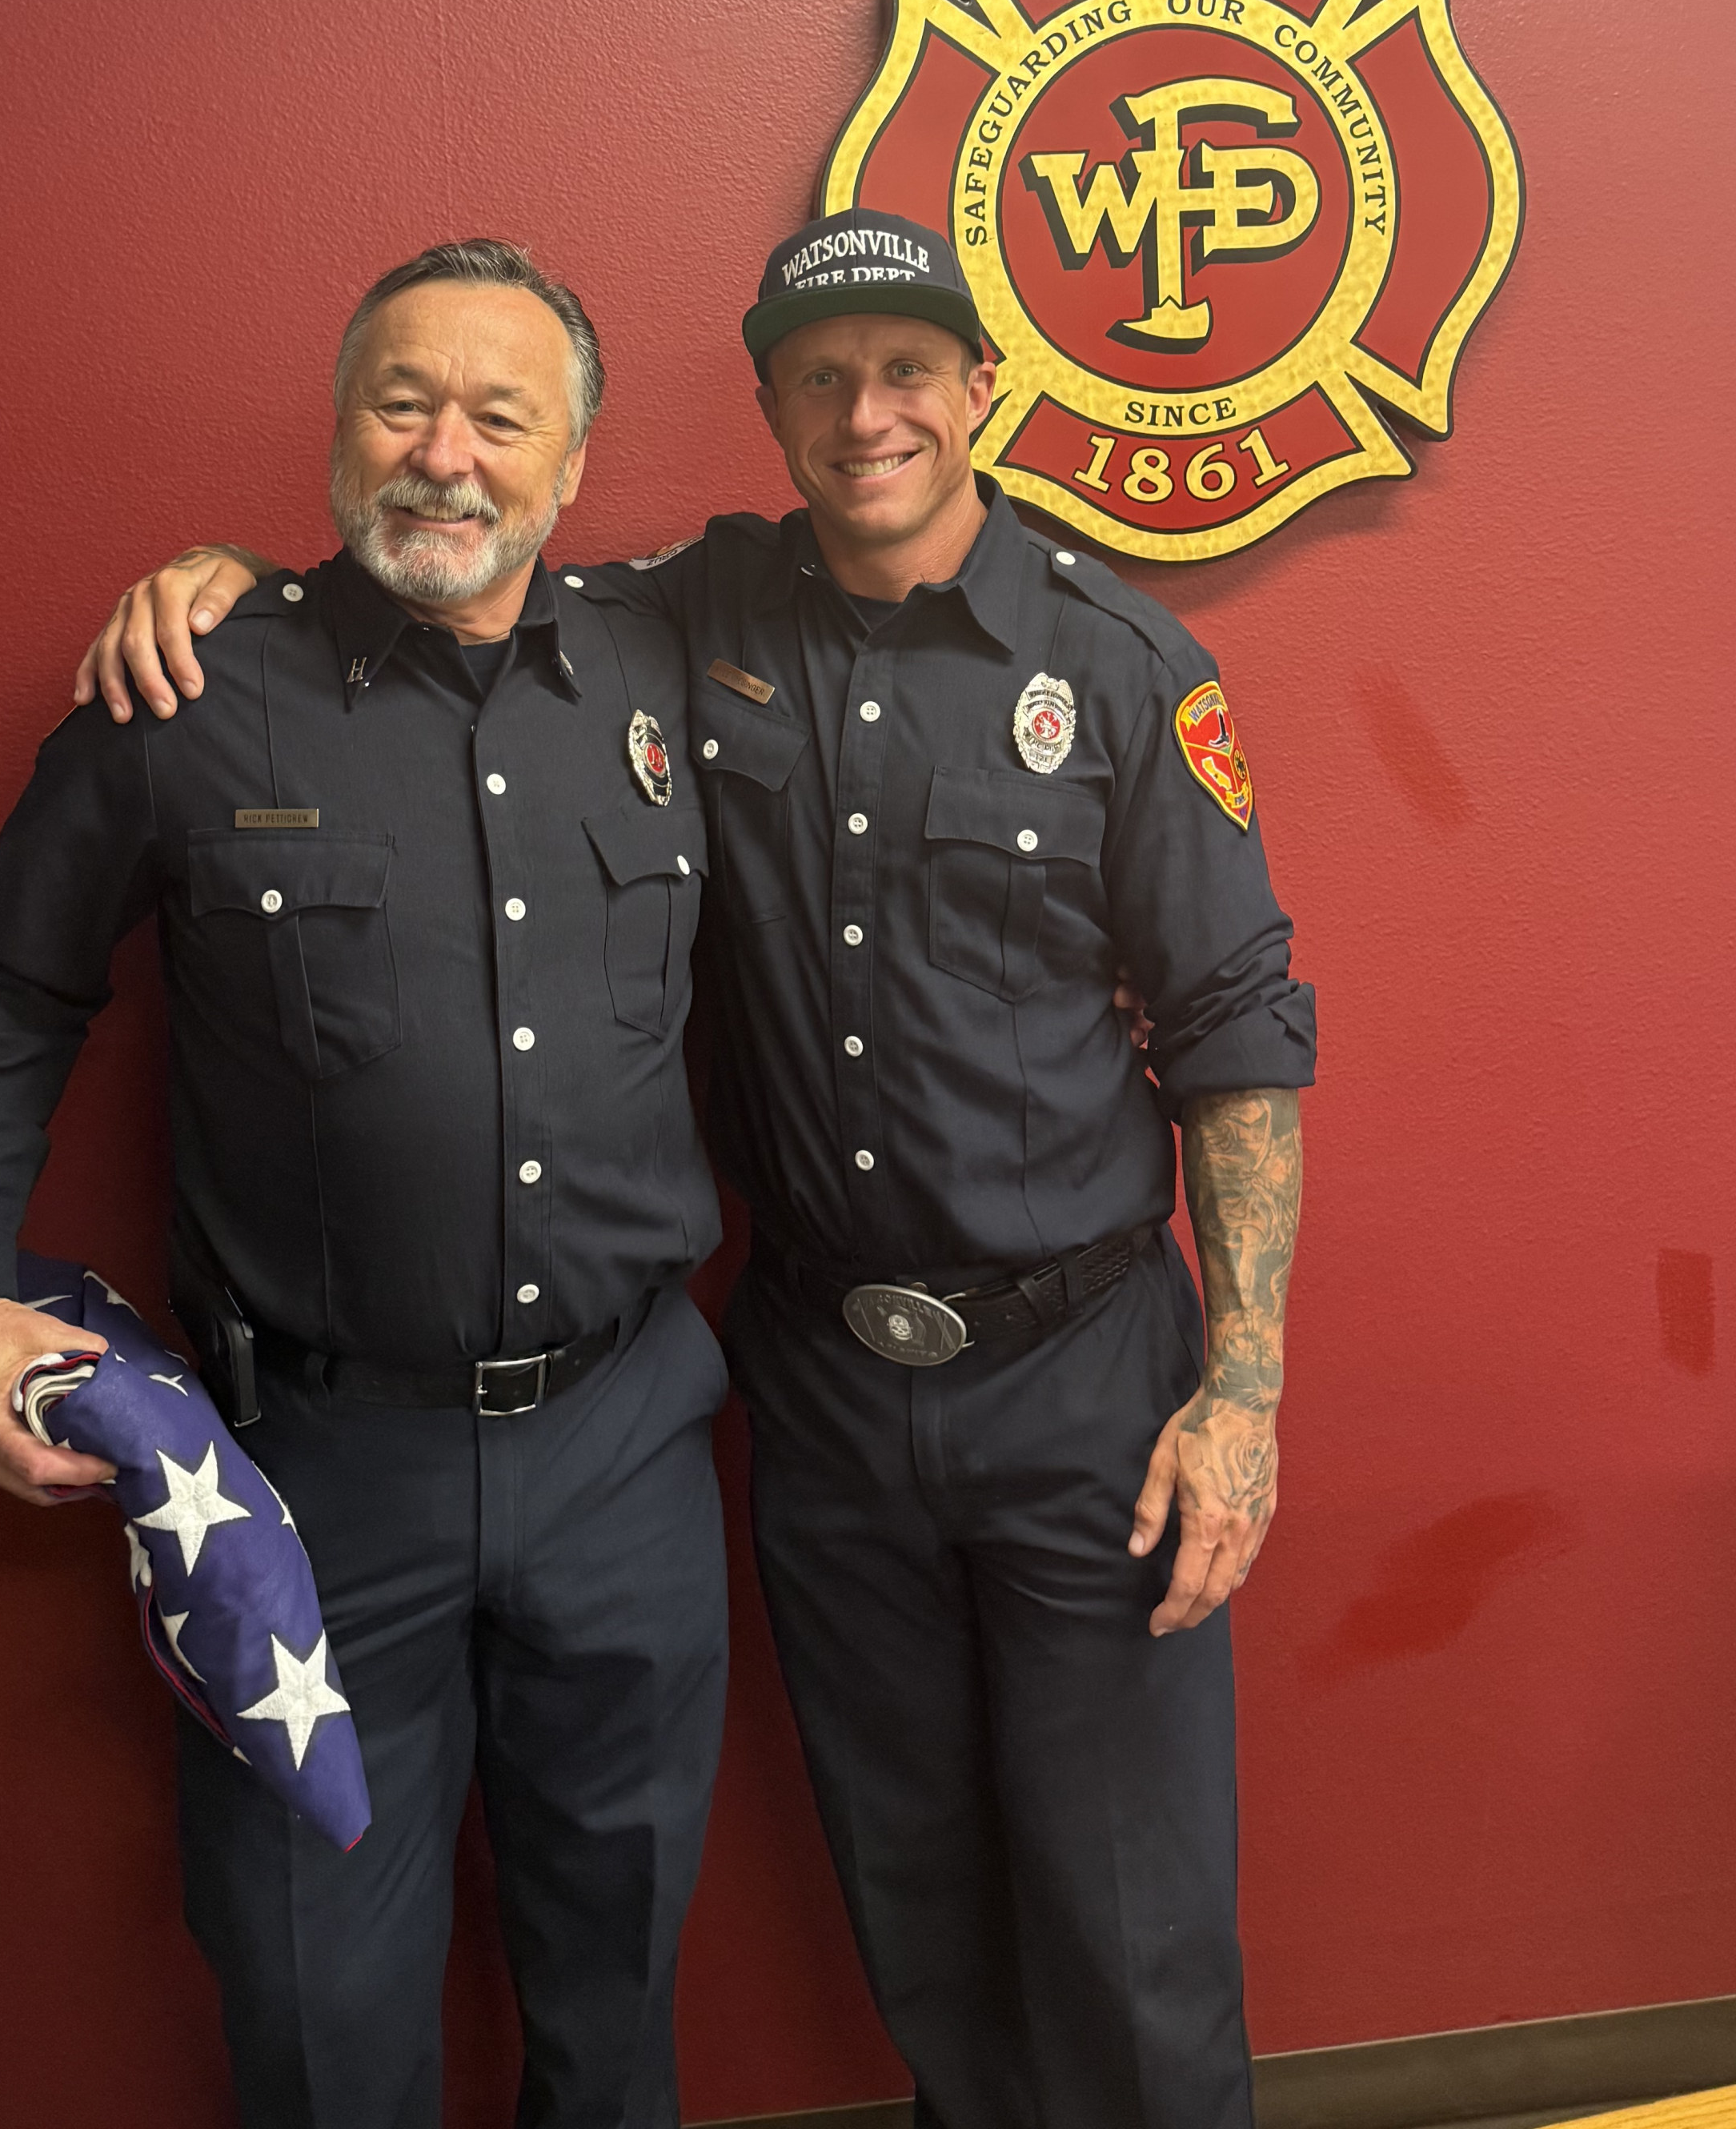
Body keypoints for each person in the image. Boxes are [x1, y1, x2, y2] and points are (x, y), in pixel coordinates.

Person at [82, 215, 1314, 2129]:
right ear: (770, 406)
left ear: (983, 388)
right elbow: (454, 571)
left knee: (1129, 1916)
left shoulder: (1123, 662)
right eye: (821, 376)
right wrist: (243, 586)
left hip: (1086, 1383)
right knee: (914, 1892)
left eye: (907, 368)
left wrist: (1240, 1391)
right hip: (823, 1382)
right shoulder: (685, 617)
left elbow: (1235, 1029)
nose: (867, 411)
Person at [0, 241, 731, 2129]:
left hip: (628, 1451)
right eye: (400, 402)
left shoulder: (671, 663)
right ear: (338, 426)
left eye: (500, 415)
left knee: (620, 1978)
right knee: (313, 2008)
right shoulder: (188, 687)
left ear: (574, 461)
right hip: (317, 1480)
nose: (445, 453)